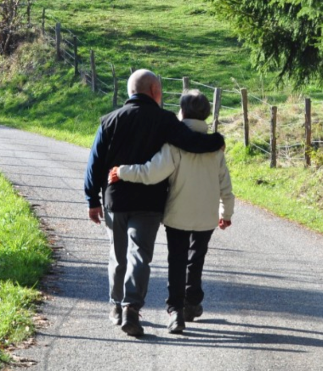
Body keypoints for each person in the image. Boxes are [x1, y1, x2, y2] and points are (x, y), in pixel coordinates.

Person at [84, 70, 225, 337]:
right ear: (154, 92)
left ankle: (116, 306)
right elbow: (192, 143)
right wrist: (217, 141)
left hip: (115, 199)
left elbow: (95, 163)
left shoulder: (109, 120)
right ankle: (132, 308)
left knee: (117, 254)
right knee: (140, 256)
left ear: (130, 92)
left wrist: (92, 199)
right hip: (149, 203)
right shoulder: (165, 120)